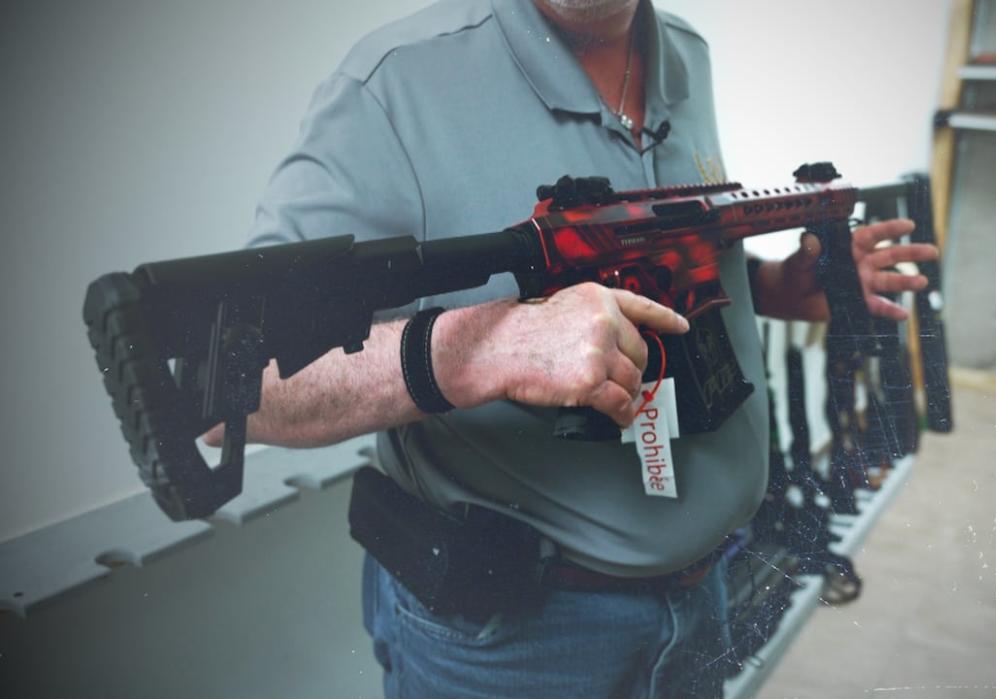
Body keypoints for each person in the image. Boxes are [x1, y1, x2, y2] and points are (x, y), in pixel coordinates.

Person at [207, 0, 937, 695]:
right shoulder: (392, 88)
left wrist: (774, 284)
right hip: (511, 643)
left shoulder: (686, 53)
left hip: (701, 599)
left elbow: (655, 248)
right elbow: (234, 381)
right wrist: (482, 350)